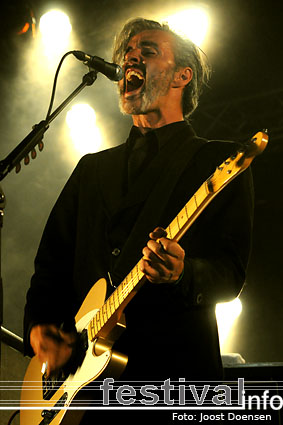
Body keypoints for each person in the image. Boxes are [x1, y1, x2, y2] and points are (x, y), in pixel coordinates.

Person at [23, 17, 253, 396]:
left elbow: (229, 274)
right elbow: (50, 268)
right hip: (85, 391)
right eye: (126, 53)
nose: (130, 59)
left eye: (147, 52)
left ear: (182, 76)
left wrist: (182, 273)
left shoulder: (218, 161)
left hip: (172, 379)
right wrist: (39, 329)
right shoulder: (92, 168)